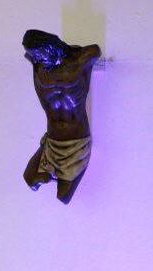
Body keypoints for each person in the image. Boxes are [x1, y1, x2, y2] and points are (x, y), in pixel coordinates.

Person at [22, 29, 101, 204]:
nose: (37, 58)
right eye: (34, 55)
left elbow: (95, 50)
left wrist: (69, 51)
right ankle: (51, 171)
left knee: (64, 197)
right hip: (52, 140)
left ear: (50, 48)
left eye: (39, 54)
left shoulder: (78, 60)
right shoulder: (38, 65)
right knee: (29, 179)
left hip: (76, 141)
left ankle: (60, 173)